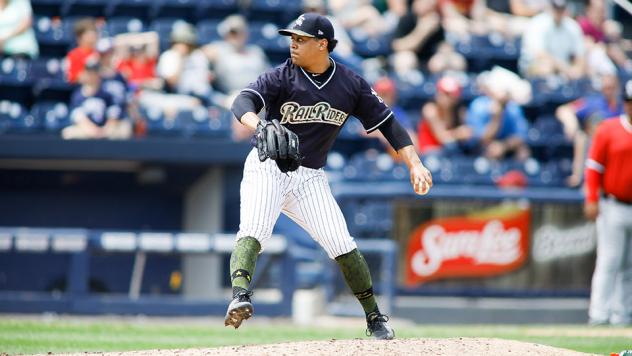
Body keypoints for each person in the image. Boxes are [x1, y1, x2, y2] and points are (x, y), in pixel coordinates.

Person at [225, 13, 432, 340]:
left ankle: (375, 318)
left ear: (322, 44)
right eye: (291, 38)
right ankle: (239, 295)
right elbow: (243, 101)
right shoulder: (282, 76)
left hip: (310, 176)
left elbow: (388, 123)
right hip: (268, 167)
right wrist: (260, 124)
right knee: (255, 229)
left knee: (341, 243)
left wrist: (414, 163)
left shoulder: (350, 84)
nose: (292, 43)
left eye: (301, 39)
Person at [584, 79, 632, 326]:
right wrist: (591, 198)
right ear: (624, 104)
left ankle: (622, 316)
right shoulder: (609, 128)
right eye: (630, 102)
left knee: (629, 266)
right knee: (609, 261)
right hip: (613, 204)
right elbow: (593, 167)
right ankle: (599, 315)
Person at [555, 73, 623, 187]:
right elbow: (563, 110)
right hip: (597, 145)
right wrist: (571, 124)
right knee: (581, 138)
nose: (608, 91)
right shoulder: (592, 103)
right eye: (605, 88)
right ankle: (579, 178)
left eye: (611, 88)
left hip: (618, 146)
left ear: (617, 88)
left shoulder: (624, 106)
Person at [62, 58, 132, 140]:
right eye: (89, 73)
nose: (92, 76)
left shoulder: (107, 94)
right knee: (68, 133)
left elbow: (113, 116)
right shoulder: (78, 95)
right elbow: (80, 118)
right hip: (87, 130)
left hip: (106, 129)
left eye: (95, 73)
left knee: (125, 129)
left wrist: (105, 131)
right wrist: (94, 132)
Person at [519, 0, 585, 80]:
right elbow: (539, 54)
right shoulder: (538, 22)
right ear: (550, 7)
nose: (558, 12)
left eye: (561, 9)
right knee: (546, 67)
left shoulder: (572, 26)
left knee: (586, 68)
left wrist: (577, 69)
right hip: (534, 64)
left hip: (564, 67)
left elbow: (580, 55)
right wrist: (565, 68)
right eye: (556, 8)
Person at [417, 76, 470, 154]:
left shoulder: (458, 111)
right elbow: (442, 138)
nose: (449, 97)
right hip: (429, 152)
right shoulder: (430, 109)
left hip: (447, 152)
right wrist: (459, 133)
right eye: (446, 93)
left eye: (452, 94)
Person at [65, 17, 99, 83]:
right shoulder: (74, 55)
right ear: (80, 37)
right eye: (89, 35)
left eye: (95, 33)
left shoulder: (100, 53)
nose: (93, 38)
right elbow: (72, 78)